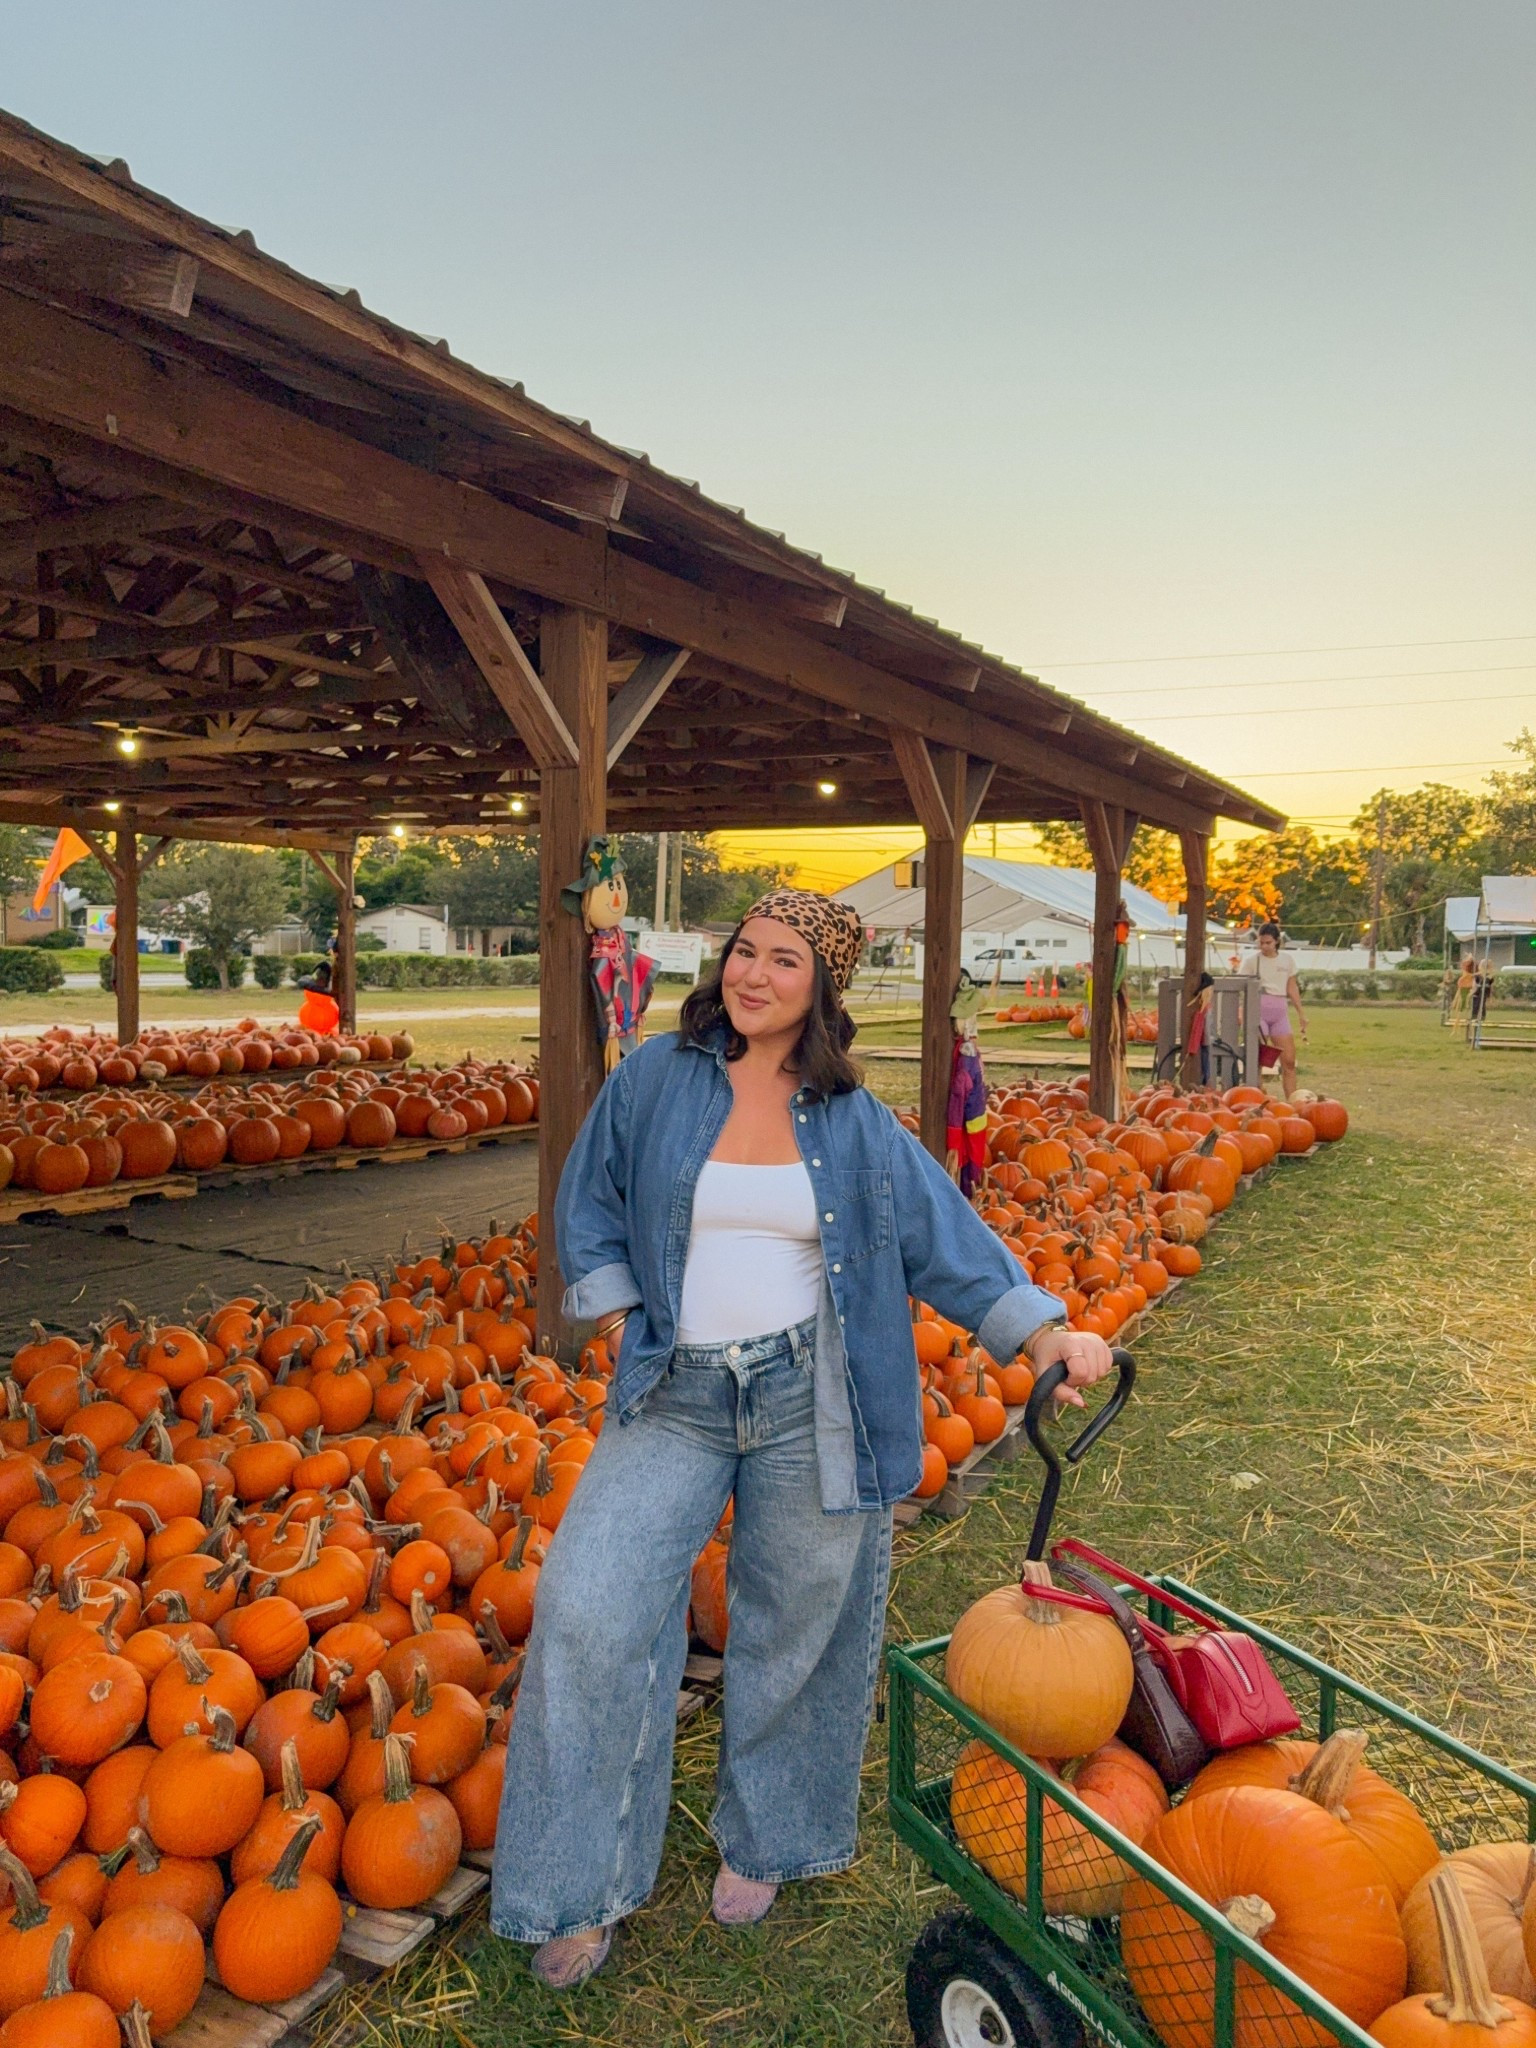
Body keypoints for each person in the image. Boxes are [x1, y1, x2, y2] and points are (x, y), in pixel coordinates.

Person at [490, 887, 1114, 1988]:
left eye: (785, 959)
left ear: (821, 987)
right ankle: (579, 1883)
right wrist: (628, 1302)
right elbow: (586, 1196)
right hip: (676, 1390)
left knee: (794, 1625)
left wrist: (1046, 1332)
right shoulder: (655, 1079)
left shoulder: (854, 1119)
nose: (755, 972)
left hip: (807, 1395)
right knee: (589, 1611)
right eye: (744, 950)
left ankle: (768, 1836)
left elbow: (948, 1239)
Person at [1241, 922, 1307, 1097]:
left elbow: (1292, 987)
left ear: (1277, 941)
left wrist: (1301, 1012)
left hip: (1279, 1012)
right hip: (1259, 1009)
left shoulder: (1287, 960)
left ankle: (1293, 1101)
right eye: (1261, 943)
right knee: (1258, 1059)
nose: (1264, 946)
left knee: (1289, 1060)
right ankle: (1257, 1096)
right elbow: (1241, 987)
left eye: (1268, 943)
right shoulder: (1251, 961)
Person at [1185, 971, 1214, 1085]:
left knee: (1205, 1059)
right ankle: (1205, 1080)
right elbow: (1202, 1027)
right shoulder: (1203, 1009)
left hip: (1205, 1040)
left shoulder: (1206, 1007)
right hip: (1204, 1041)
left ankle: (1205, 1079)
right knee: (1204, 1059)